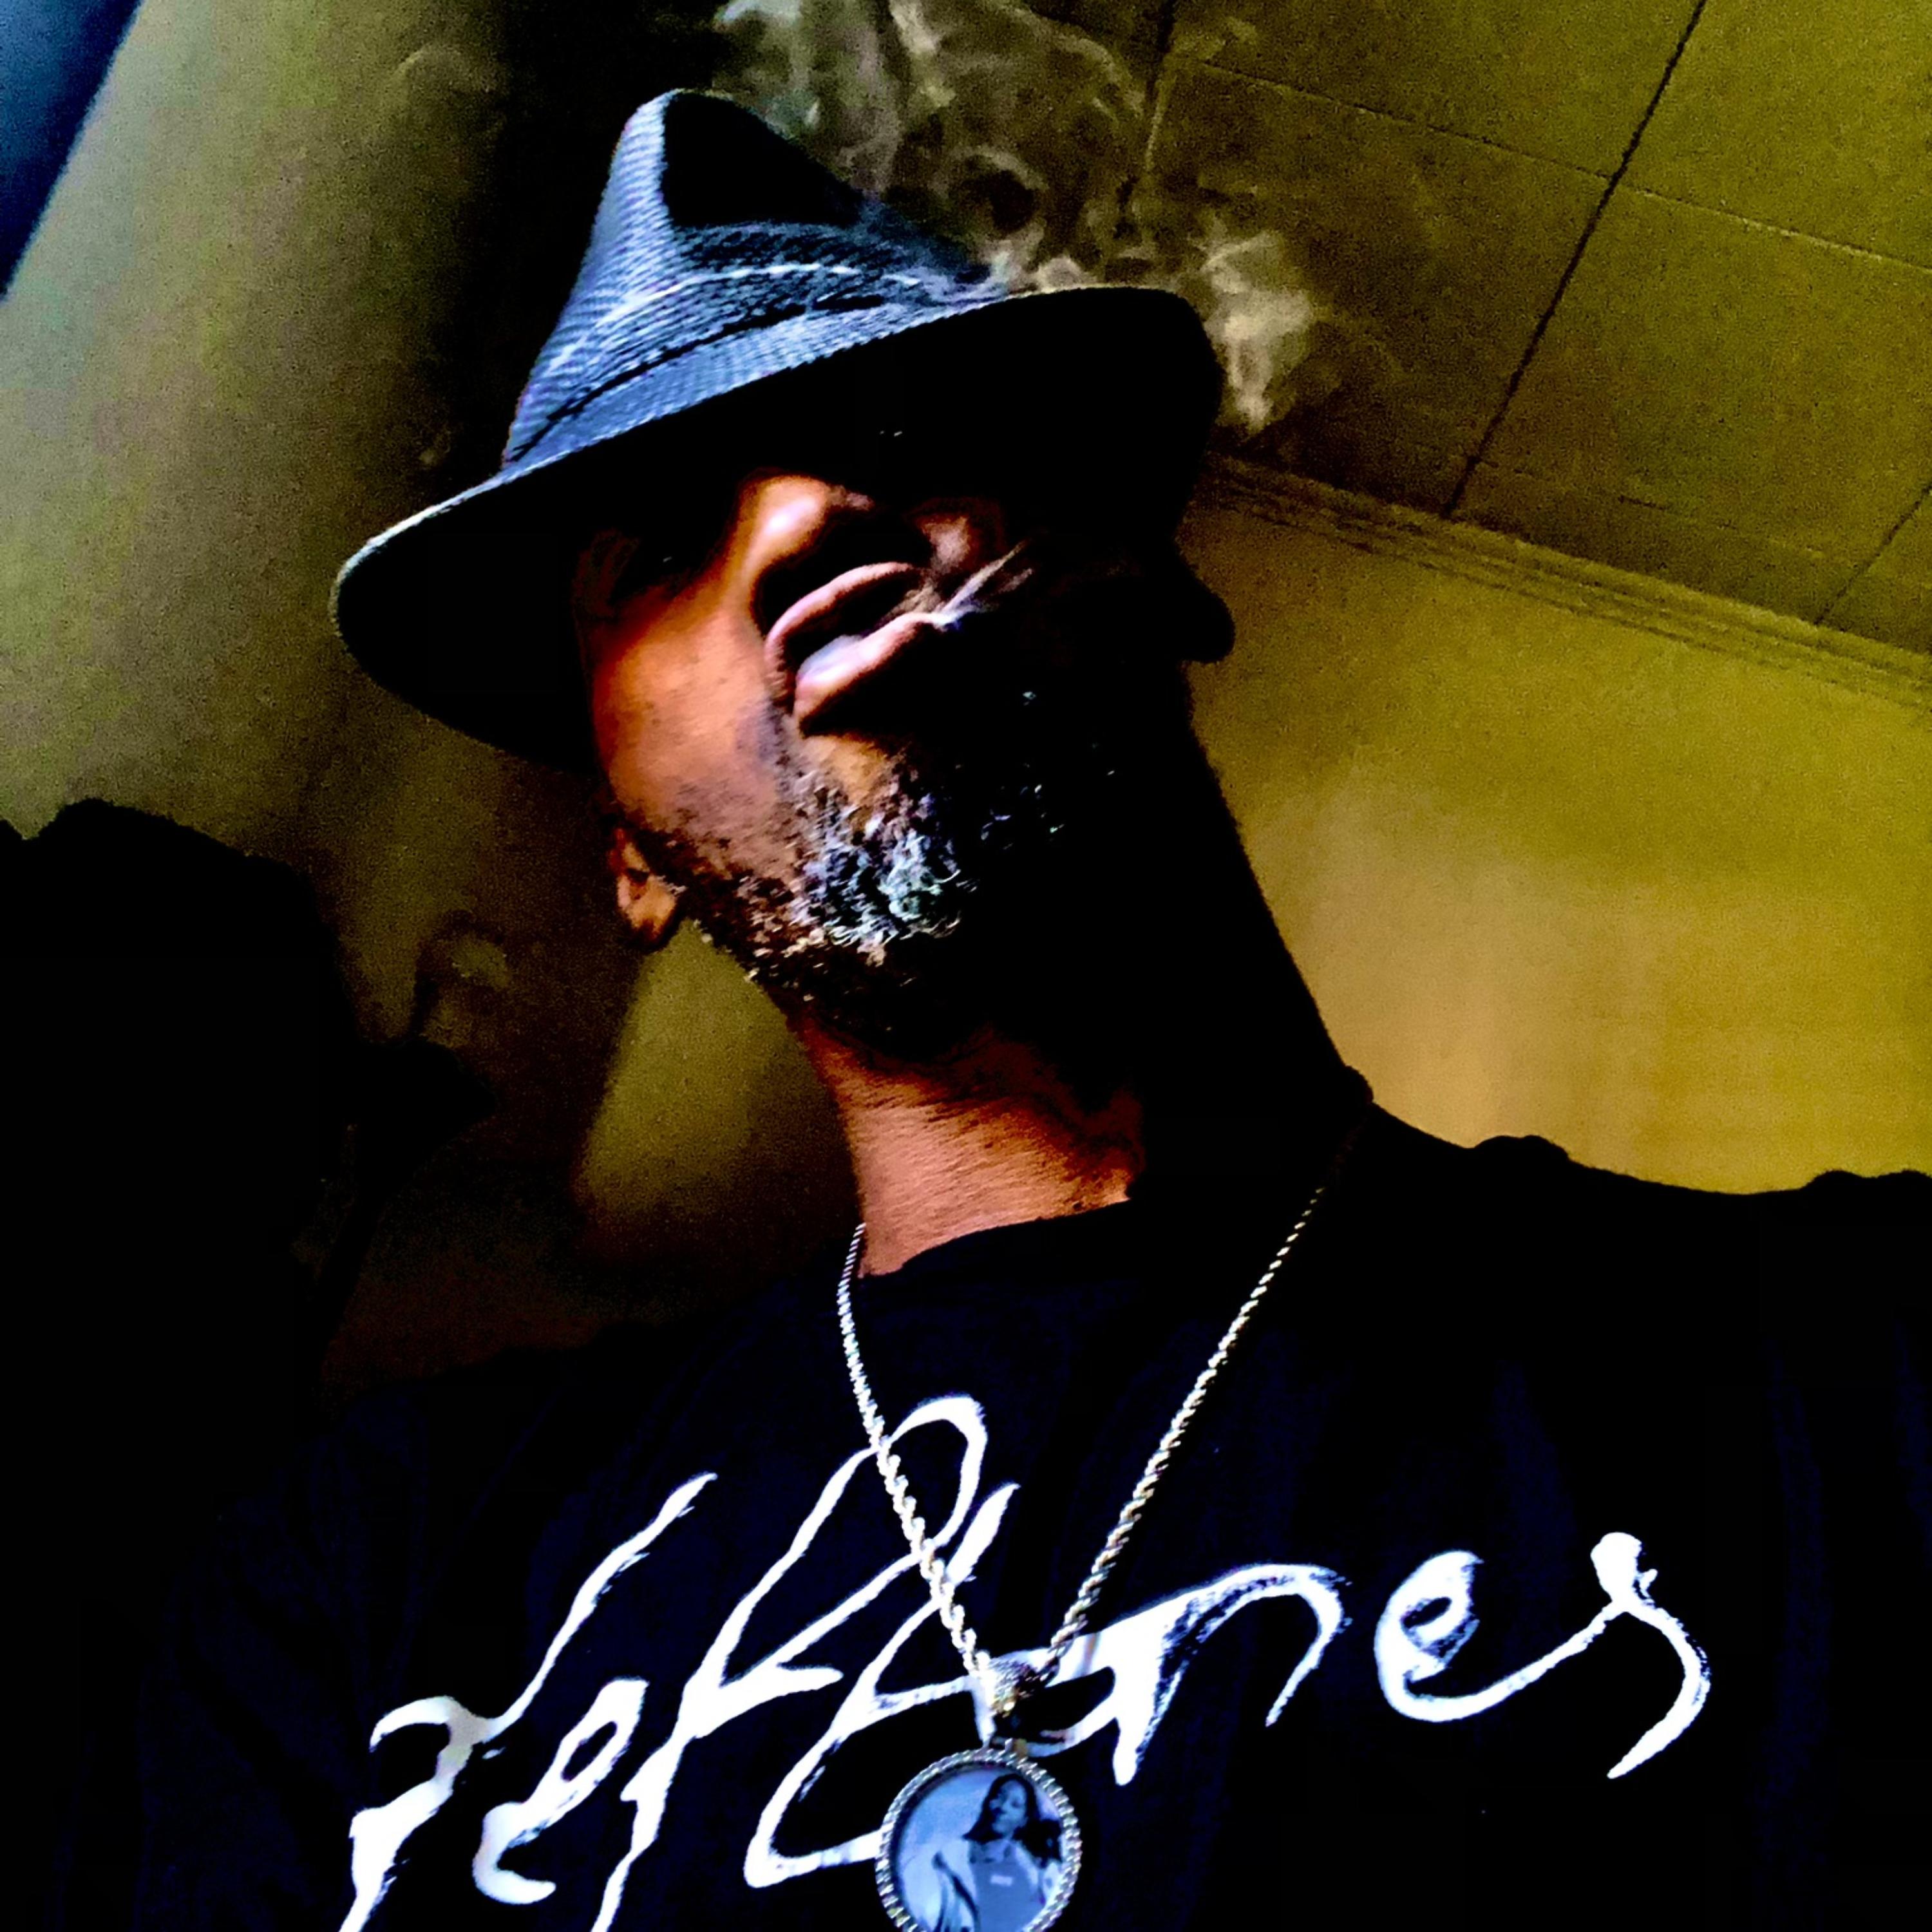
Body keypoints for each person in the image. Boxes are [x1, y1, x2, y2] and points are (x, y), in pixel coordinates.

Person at [118, 92, 1925, 1931]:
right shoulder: (363, 1585)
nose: (806, 513)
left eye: (900, 435)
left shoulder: (1854, 1371)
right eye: (656, 545)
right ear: (632, 861)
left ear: (1145, 587)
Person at [925, 1774, 1061, 1932]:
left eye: (1015, 1805)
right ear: (987, 1802)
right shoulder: (948, 1859)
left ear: (1024, 1820)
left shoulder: (1030, 1874)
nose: (1003, 1808)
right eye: (998, 1797)